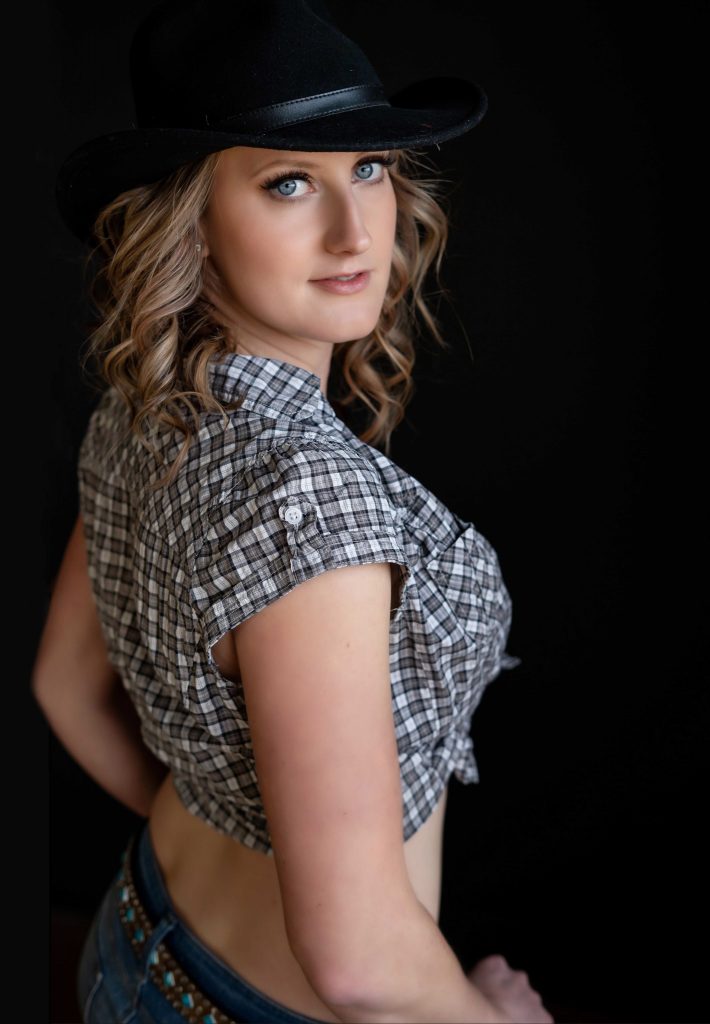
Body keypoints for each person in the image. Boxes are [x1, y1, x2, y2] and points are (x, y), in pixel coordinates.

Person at [34, 1, 555, 1022]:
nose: (356, 227)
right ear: (189, 216)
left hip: (139, 933)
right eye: (287, 183)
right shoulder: (314, 504)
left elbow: (62, 684)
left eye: (368, 167)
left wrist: (256, 835)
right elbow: (358, 961)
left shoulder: (146, 404)